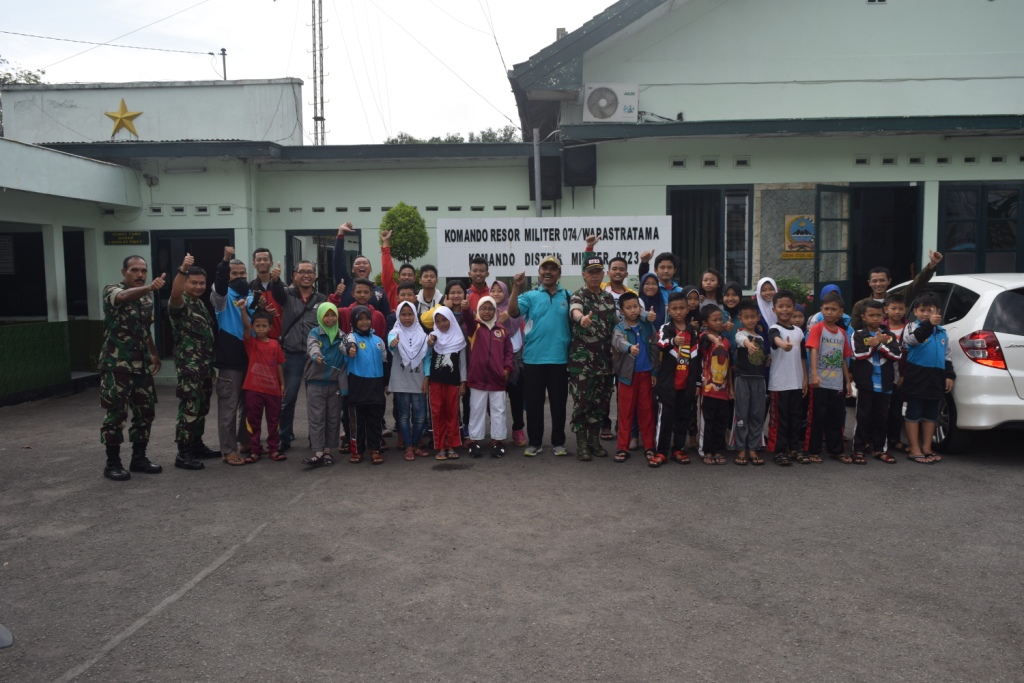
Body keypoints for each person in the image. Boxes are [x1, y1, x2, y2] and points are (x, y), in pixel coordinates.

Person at [98, 256, 165, 481]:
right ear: (124, 271)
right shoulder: (112, 290)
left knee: (145, 412)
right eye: (134, 270)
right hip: (117, 365)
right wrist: (149, 287)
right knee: (116, 414)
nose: (140, 274)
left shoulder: (146, 298)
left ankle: (139, 458)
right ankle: (112, 463)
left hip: (141, 365)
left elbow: (145, 329)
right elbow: (123, 297)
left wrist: (154, 353)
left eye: (143, 271)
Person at [509, 256, 572, 457]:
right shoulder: (530, 296)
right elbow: (512, 312)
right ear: (539, 272)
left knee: (558, 405)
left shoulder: (568, 296)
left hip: (559, 359)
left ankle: (558, 442)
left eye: (553, 269)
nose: (548, 272)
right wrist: (516, 287)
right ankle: (534, 442)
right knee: (534, 404)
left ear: (559, 273)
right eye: (544, 268)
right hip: (533, 359)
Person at [167, 253, 217, 472]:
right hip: (190, 367)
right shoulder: (180, 303)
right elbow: (175, 294)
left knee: (201, 408)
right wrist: (182, 270)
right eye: (193, 282)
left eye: (202, 283)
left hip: (204, 367)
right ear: (185, 282)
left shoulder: (199, 304)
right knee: (189, 408)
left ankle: (196, 445)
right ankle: (183, 453)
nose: (198, 286)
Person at [568, 256, 618, 461]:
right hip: (582, 363)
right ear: (584, 275)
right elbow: (575, 310)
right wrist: (581, 318)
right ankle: (582, 443)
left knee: (601, 403)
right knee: (582, 403)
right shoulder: (578, 295)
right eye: (591, 272)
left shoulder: (608, 298)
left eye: (598, 272)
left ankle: (594, 441)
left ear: (603, 274)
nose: (595, 275)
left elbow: (615, 327)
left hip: (604, 362)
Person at [278, 259, 327, 453]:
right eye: (302, 272)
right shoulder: (287, 294)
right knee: (288, 398)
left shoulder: (321, 298)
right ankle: (284, 437)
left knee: (315, 400)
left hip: (314, 356)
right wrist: (274, 279)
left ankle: (315, 438)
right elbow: (274, 291)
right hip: (291, 355)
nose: (306, 275)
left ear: (315, 276)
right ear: (294, 276)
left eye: (310, 272)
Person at [210, 247, 253, 466]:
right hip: (230, 362)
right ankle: (228, 450)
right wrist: (224, 262)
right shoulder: (221, 297)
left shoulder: (251, 296)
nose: (239, 277)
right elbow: (219, 284)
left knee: (249, 406)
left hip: (251, 360)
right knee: (229, 407)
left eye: (242, 273)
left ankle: (245, 441)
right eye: (234, 274)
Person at [902, 292, 955, 464]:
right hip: (917, 377)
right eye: (922, 310)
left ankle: (927, 448)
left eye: (930, 310)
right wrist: (928, 325)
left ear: (938, 311)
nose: (926, 314)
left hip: (935, 379)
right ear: (915, 312)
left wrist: (949, 375)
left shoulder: (942, 333)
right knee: (914, 413)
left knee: (932, 415)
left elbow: (947, 356)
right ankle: (914, 449)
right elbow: (913, 340)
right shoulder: (911, 327)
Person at [652, 291, 701, 467]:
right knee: (665, 419)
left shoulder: (693, 332)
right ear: (669, 310)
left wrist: (697, 382)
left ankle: (678, 449)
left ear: (688, 309)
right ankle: (661, 451)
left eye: (682, 308)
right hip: (668, 384)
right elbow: (660, 343)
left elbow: (698, 359)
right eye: (674, 309)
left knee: (683, 418)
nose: (678, 312)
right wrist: (673, 341)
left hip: (687, 384)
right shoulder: (666, 328)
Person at [851, 300, 903, 465]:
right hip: (866, 383)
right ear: (863, 316)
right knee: (863, 416)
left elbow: (896, 355)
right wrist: (875, 345)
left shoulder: (889, 336)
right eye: (871, 315)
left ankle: (880, 449)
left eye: (878, 315)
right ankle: (858, 449)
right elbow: (859, 355)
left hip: (885, 383)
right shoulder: (858, 334)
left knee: (882, 417)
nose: (875, 318)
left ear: (883, 316)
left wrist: (879, 344)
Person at [463, 296, 514, 457]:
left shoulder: (502, 330)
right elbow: (468, 319)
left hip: (497, 379)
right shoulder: (474, 327)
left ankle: (499, 440)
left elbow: (508, 352)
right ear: (478, 310)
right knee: (476, 410)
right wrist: (466, 309)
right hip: (477, 379)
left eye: (490, 308)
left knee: (499, 410)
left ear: (495, 311)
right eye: (483, 308)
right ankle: (474, 441)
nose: (487, 312)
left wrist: (507, 369)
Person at [806, 291, 853, 463]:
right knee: (817, 418)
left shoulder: (842, 333)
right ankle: (813, 450)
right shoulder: (818, 329)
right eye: (826, 308)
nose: (829, 312)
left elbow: (843, 358)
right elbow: (813, 350)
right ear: (821, 310)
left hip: (836, 383)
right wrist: (814, 374)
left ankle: (837, 450)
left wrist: (847, 382)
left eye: (833, 309)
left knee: (836, 417)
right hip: (820, 382)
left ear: (841, 312)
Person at [611, 292, 657, 463]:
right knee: (626, 412)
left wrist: (655, 372)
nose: (633, 310)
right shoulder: (620, 328)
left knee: (647, 411)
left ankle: (649, 446)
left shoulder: (647, 326)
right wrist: (629, 348)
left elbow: (654, 347)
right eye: (628, 307)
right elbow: (617, 342)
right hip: (627, 377)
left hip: (646, 374)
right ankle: (622, 447)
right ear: (622, 311)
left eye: (635, 306)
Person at [236, 305, 286, 462]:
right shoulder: (251, 343)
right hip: (253, 389)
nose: (261, 329)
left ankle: (273, 449)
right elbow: (245, 326)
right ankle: (255, 450)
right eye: (257, 326)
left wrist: (282, 384)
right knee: (253, 420)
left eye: (264, 326)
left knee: (273, 421)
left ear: (270, 327)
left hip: (273, 390)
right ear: (253, 327)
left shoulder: (275, 344)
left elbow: (278, 364)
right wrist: (243, 310)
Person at [303, 302, 349, 468]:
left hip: (335, 384)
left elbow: (348, 348)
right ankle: (318, 452)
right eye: (326, 315)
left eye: (333, 315)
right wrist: (316, 355)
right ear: (320, 317)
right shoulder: (314, 333)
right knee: (317, 418)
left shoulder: (342, 335)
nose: (330, 319)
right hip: (315, 383)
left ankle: (328, 450)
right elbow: (312, 346)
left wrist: (351, 349)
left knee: (333, 418)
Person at [849, 250, 943, 331]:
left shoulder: (898, 298)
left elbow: (917, 284)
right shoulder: (860, 305)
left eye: (882, 280)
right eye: (874, 281)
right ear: (869, 283)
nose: (878, 284)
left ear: (889, 281)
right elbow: (855, 331)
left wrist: (932, 264)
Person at [765, 292, 807, 466]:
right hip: (779, 384)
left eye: (788, 306)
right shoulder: (774, 329)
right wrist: (783, 345)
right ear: (774, 309)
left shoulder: (799, 332)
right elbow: (775, 339)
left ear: (794, 308)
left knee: (795, 418)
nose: (785, 310)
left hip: (796, 383)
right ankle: (779, 450)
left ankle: (794, 448)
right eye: (780, 306)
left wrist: (805, 379)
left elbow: (803, 357)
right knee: (779, 419)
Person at [388, 301, 430, 461]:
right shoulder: (395, 332)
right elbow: (391, 343)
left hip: (418, 381)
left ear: (415, 315)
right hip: (401, 382)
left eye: (410, 314)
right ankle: (409, 447)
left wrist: (427, 378)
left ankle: (416, 444)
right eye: (403, 314)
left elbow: (427, 359)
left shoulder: (423, 335)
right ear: (398, 316)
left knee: (420, 417)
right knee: (404, 415)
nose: (407, 318)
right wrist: (393, 343)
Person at [346, 305, 388, 464]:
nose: (364, 322)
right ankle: (357, 450)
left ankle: (375, 449)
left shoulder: (378, 341)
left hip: (376, 386)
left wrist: (385, 383)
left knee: (375, 420)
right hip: (357, 386)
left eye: (367, 318)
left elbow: (384, 361)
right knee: (357, 421)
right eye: (360, 319)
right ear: (353, 321)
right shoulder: (350, 337)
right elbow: (346, 346)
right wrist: (350, 349)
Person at [730, 299, 768, 466]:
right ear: (741, 319)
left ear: (758, 317)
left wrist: (768, 356)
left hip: (759, 380)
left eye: (753, 316)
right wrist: (748, 345)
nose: (750, 320)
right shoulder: (740, 334)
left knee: (757, 414)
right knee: (742, 414)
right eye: (746, 317)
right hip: (743, 379)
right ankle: (740, 448)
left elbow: (763, 355)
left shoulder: (761, 338)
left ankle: (753, 448)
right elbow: (742, 340)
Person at [427, 306, 467, 460]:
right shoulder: (433, 337)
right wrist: (431, 341)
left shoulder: (459, 339)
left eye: (444, 320)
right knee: (437, 413)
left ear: (451, 319)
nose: (442, 324)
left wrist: (463, 382)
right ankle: (440, 446)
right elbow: (428, 348)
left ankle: (452, 445)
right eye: (438, 321)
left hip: (452, 383)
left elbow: (462, 364)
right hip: (436, 383)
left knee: (452, 413)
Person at [491, 280, 527, 447]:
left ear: (506, 293)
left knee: (517, 398)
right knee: (496, 401)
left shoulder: (514, 311)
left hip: (516, 361)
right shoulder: (486, 311)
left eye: (500, 290)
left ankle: (518, 429)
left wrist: (506, 317)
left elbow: (517, 330)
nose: (496, 293)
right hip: (495, 362)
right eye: (493, 290)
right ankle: (498, 432)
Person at [697, 306, 733, 464]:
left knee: (721, 421)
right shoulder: (704, 339)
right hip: (708, 389)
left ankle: (718, 449)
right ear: (705, 322)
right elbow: (704, 336)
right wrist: (715, 339)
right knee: (707, 421)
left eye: (720, 320)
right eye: (714, 320)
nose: (719, 322)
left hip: (723, 390)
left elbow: (728, 366)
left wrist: (731, 387)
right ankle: (706, 450)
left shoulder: (726, 341)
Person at [333, 222, 392, 317]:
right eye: (357, 263)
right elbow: (338, 262)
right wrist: (340, 234)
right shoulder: (345, 285)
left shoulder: (379, 292)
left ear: (371, 269)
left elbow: (387, 317)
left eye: (365, 263)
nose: (361, 265)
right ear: (352, 269)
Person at [882, 293, 910, 455]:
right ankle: (879, 439)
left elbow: (912, 354)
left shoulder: (910, 329)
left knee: (896, 410)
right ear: (886, 309)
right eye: (893, 308)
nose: (897, 312)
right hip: (883, 374)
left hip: (901, 375)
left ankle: (895, 439)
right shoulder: (880, 328)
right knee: (881, 409)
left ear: (906, 310)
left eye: (901, 308)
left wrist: (905, 375)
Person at [249, 248, 286, 341]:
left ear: (271, 263)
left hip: (280, 338)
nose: (262, 262)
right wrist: (262, 310)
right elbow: (247, 312)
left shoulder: (282, 286)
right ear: (254, 264)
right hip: (257, 338)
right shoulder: (250, 287)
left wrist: (276, 281)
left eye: (265, 259)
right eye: (258, 260)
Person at [754, 277, 778, 346]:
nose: (768, 293)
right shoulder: (755, 311)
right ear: (759, 292)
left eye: (771, 289)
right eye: (764, 290)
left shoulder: (780, 308)